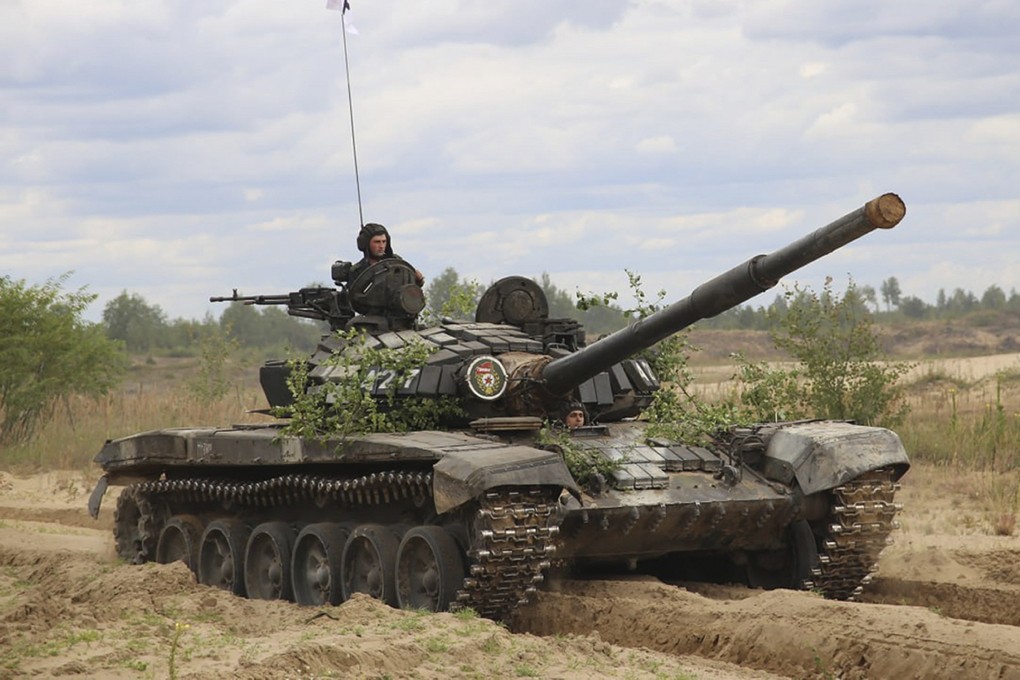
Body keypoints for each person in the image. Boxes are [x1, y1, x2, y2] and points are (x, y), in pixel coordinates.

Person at [347, 223, 424, 286]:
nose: (381, 246)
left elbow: (409, 289)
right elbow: (354, 297)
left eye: (384, 241)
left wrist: (418, 280)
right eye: (377, 242)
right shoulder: (357, 271)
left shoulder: (396, 262)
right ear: (365, 244)